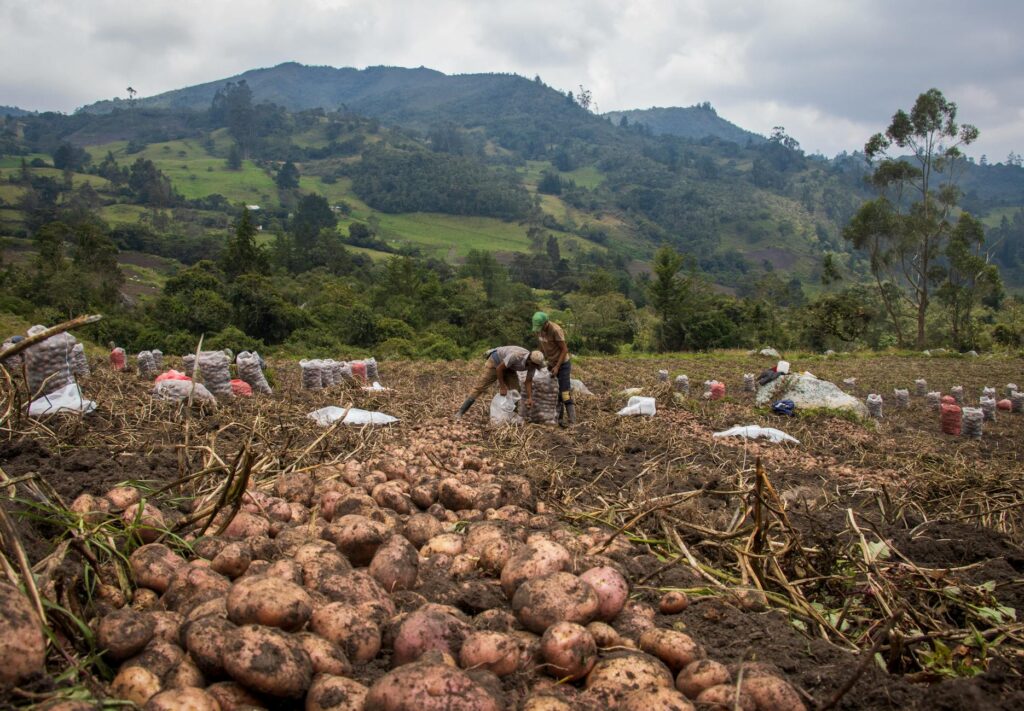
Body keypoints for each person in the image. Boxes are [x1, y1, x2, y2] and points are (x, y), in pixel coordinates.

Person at [455, 346, 545, 419]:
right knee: (480, 387)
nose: (536, 367)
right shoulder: (516, 356)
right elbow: (499, 369)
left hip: (509, 367)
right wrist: (502, 386)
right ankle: (460, 412)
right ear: (530, 361)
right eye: (535, 365)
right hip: (496, 361)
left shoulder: (533, 366)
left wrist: (530, 398)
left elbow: (528, 381)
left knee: (515, 391)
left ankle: (512, 416)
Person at [532, 311, 575, 426]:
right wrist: (539, 361)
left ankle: (572, 421)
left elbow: (564, 350)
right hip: (551, 363)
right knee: (555, 392)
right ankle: (558, 419)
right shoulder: (540, 331)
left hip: (563, 364)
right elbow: (541, 347)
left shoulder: (556, 330)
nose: (539, 329)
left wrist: (557, 366)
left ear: (546, 323)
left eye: (541, 327)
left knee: (565, 392)